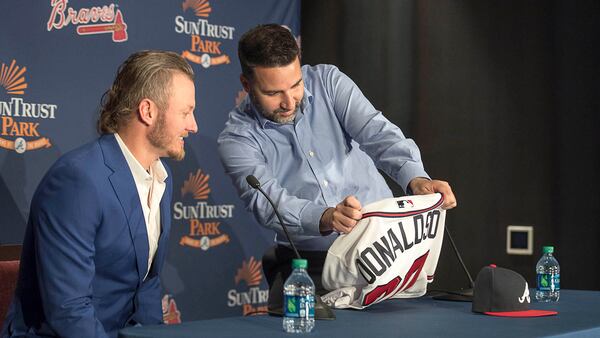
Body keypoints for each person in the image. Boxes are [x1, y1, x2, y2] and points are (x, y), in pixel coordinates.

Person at [217, 24, 457, 311]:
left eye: (295, 85)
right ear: (246, 85)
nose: (289, 101)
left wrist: (416, 179)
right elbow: (267, 203)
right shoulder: (237, 139)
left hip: (386, 250)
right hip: (312, 267)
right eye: (273, 93)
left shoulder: (329, 82)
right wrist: (327, 217)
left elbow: (378, 134)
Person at [1, 50, 198, 338]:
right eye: (185, 112)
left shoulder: (160, 178)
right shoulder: (77, 180)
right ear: (148, 111)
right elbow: (68, 309)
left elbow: (147, 288)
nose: (193, 125)